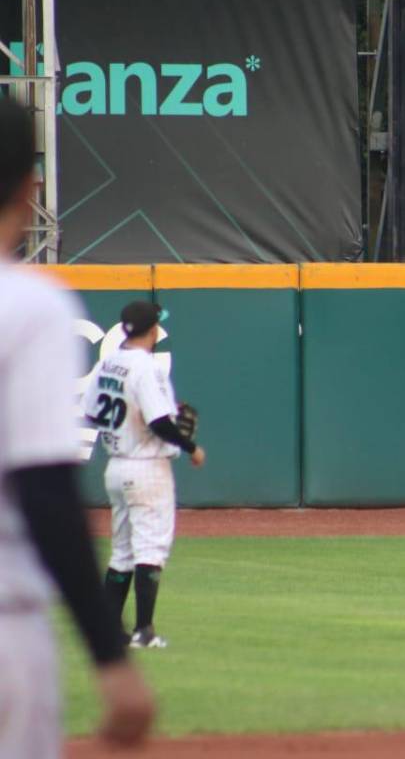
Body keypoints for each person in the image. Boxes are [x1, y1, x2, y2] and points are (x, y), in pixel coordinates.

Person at [0, 96, 155, 754]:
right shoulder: (30, 304)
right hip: (7, 626)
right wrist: (108, 658)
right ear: (31, 186)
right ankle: (137, 631)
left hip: (120, 461)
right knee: (141, 549)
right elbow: (43, 494)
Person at [84, 301, 205, 649]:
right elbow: (158, 422)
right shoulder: (146, 368)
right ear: (153, 330)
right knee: (150, 548)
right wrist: (191, 447)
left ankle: (109, 631)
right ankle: (143, 631)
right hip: (147, 466)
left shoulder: (108, 362)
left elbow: (92, 414)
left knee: (121, 552)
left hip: (116, 465)